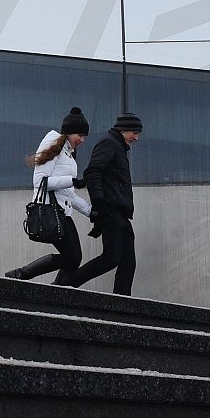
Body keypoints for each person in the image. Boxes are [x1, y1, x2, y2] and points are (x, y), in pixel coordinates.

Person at [5, 107, 92, 283]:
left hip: (63, 212)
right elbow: (40, 182)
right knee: (72, 257)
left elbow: (68, 194)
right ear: (68, 132)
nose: (82, 140)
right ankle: (22, 274)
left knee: (73, 258)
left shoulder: (68, 153)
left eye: (84, 136)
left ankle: (53, 288)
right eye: (80, 135)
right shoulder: (53, 145)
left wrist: (90, 211)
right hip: (51, 210)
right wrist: (72, 181)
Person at [65, 111, 142, 295]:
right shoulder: (109, 143)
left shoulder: (119, 147)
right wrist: (100, 204)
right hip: (111, 210)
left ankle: (121, 305)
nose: (136, 138)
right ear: (124, 129)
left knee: (128, 263)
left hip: (121, 214)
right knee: (111, 258)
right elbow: (92, 172)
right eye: (135, 133)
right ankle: (67, 284)